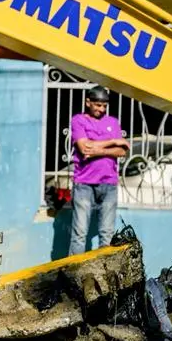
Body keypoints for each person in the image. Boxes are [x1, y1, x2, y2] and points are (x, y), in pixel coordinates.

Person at [68, 85, 128, 254]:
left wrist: (97, 149)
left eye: (104, 106)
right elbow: (83, 146)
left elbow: (122, 151)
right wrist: (114, 141)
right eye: (97, 105)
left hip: (109, 184)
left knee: (107, 234)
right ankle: (73, 274)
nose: (101, 109)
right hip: (84, 183)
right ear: (88, 102)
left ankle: (103, 274)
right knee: (79, 234)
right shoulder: (78, 120)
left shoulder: (112, 122)